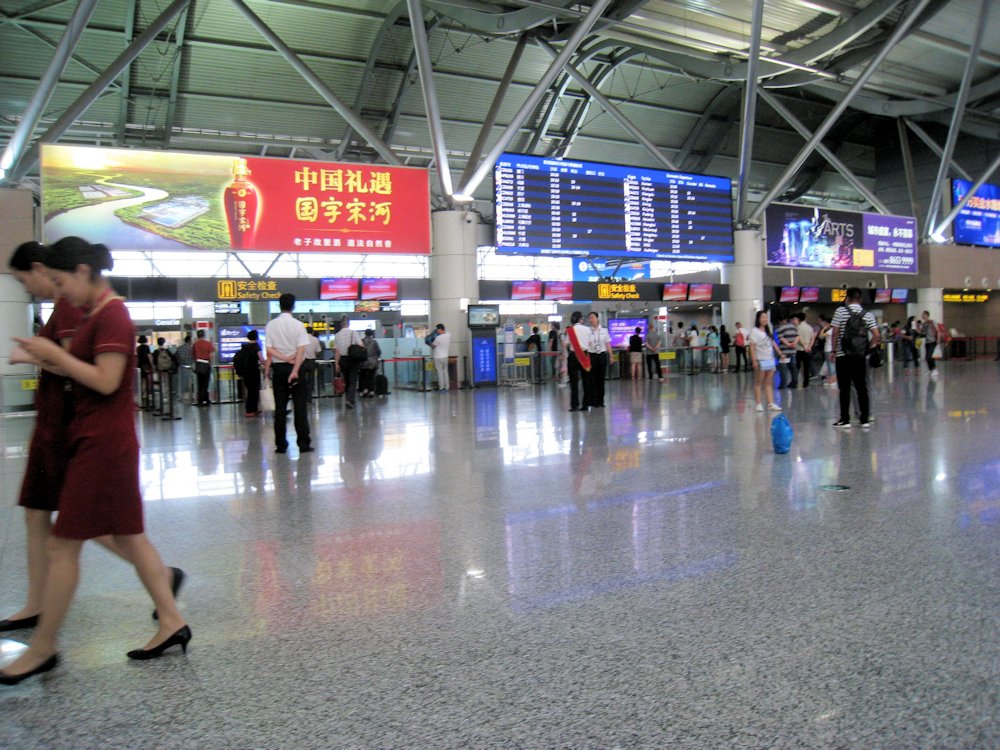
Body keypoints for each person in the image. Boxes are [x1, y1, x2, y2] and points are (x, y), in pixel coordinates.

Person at [3, 237, 189, 685]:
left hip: (102, 444)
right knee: (130, 537)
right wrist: (57, 359)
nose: (59, 290)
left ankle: (43, 648)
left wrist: (54, 356)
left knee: (63, 544)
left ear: (84, 272)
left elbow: (107, 382)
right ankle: (171, 620)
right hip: (95, 439)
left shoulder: (112, 315)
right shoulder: (92, 314)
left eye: (63, 280)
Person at [265, 293, 312, 452]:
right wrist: (295, 369)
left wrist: (284, 358)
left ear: (280, 305)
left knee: (280, 408)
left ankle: (281, 445)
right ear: (293, 306)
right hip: (297, 368)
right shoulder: (298, 325)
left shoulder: (271, 325)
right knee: (300, 408)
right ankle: (303, 444)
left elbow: (269, 349)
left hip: (279, 369)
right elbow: (301, 349)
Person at [831, 287, 880, 429]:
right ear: (860, 299)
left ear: (847, 298)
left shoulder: (841, 311)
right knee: (861, 387)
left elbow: (835, 332)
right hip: (860, 356)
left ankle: (845, 419)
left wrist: (834, 349)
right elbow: (876, 335)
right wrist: (867, 349)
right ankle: (864, 419)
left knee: (844, 388)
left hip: (843, 355)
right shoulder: (867, 315)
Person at [748, 310, 783, 413]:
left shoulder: (768, 330)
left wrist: (780, 353)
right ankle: (758, 403)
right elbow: (752, 347)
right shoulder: (754, 331)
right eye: (763, 317)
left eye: (766, 317)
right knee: (759, 382)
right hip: (760, 359)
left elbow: (773, 343)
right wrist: (754, 360)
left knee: (768, 383)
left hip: (770, 359)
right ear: (758, 319)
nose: (765, 319)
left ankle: (770, 403)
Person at [565, 311, 593, 411]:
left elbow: (567, 344)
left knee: (574, 382)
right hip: (584, 356)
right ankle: (586, 404)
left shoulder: (570, 330)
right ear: (581, 319)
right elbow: (590, 343)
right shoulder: (587, 329)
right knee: (586, 381)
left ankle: (574, 405)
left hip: (573, 356)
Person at [334, 318, 364, 406]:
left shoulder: (337, 335)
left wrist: (336, 363)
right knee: (353, 380)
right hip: (352, 359)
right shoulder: (353, 333)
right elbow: (361, 344)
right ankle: (350, 399)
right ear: (348, 324)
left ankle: (348, 398)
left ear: (341, 325)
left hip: (342, 359)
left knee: (347, 380)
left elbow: (337, 351)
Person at [587, 312, 611, 407]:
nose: (590, 320)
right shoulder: (588, 331)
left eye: (592, 318)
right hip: (591, 355)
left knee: (601, 379)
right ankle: (593, 400)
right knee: (592, 379)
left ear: (597, 319)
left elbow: (608, 343)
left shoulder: (604, 330)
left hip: (601, 355)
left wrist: (611, 355)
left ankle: (601, 400)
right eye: (589, 318)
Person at [237, 329, 263, 416]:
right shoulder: (256, 346)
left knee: (249, 390)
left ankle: (250, 410)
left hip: (245, 372)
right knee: (254, 390)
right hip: (254, 371)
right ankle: (252, 410)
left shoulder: (244, 347)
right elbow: (261, 358)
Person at [191, 329, 215, 406]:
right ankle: (204, 400)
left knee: (200, 383)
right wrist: (210, 363)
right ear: (204, 335)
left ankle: (201, 399)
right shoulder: (208, 343)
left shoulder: (195, 344)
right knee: (206, 383)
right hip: (206, 364)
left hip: (198, 364)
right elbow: (211, 355)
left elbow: (193, 355)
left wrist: (195, 362)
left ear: (197, 336)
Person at [775, 311, 799, 388]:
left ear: (779, 320)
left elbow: (781, 338)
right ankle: (794, 383)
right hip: (793, 351)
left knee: (783, 369)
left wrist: (788, 344)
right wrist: (794, 344)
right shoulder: (793, 327)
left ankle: (783, 384)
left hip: (784, 352)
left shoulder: (779, 328)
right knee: (793, 368)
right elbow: (797, 337)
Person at [359, 329, 381, 397]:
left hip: (363, 362)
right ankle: (371, 391)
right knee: (371, 377)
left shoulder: (361, 341)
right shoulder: (374, 342)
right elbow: (379, 351)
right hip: (373, 362)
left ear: (365, 334)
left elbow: (359, 351)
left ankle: (365, 390)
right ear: (371, 334)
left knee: (363, 377)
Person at [794, 313, 814, 387]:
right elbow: (813, 338)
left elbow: (799, 338)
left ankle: (795, 381)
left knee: (797, 367)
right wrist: (809, 346)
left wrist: (804, 346)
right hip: (808, 350)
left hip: (799, 350)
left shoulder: (798, 327)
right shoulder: (810, 327)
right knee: (806, 367)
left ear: (798, 319)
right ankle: (806, 383)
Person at [302, 326, 322, 401]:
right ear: (312, 332)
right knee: (311, 380)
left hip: (302, 361)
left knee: (303, 379)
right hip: (311, 361)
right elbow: (318, 351)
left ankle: (303, 396)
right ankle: (309, 398)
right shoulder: (315, 339)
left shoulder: (301, 339)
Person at [431, 323, 451, 391]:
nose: (437, 331)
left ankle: (441, 387)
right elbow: (446, 333)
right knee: (445, 371)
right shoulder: (448, 335)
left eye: (437, 330)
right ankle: (447, 386)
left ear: (440, 329)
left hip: (438, 357)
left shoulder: (438, 338)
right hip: (445, 356)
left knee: (439, 372)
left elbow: (433, 345)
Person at [136, 334, 153, 409]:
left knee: (142, 381)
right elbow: (149, 356)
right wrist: (152, 365)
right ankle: (146, 394)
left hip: (140, 365)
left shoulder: (138, 348)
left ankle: (142, 394)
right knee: (146, 381)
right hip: (146, 365)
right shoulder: (147, 347)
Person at [175, 333, 193, 402]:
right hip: (190, 367)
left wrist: (180, 363)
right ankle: (190, 395)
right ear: (189, 341)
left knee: (182, 382)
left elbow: (177, 357)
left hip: (182, 367)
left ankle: (182, 396)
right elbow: (194, 357)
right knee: (191, 381)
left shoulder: (179, 348)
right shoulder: (191, 348)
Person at [921, 310, 939, 379]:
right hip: (927, 342)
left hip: (932, 341)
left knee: (929, 356)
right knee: (927, 357)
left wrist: (938, 340)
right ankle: (931, 370)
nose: (922, 316)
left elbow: (937, 330)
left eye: (923, 314)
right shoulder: (924, 323)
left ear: (926, 315)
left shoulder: (932, 322)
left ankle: (935, 370)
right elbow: (922, 333)